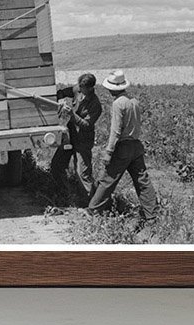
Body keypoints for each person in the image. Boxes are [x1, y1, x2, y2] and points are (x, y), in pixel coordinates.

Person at [87, 69, 158, 240]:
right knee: (143, 182)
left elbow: (115, 131)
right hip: (136, 146)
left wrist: (108, 152)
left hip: (123, 148)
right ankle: (153, 217)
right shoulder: (134, 101)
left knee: (107, 180)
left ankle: (94, 211)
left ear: (113, 88)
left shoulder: (118, 103)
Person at [50, 73, 102, 205]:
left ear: (89, 88)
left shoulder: (95, 104)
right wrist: (58, 101)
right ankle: (67, 194)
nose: (79, 89)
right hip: (70, 136)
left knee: (83, 174)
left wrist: (71, 114)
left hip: (83, 141)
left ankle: (93, 205)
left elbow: (86, 124)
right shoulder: (77, 89)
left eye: (82, 88)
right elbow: (61, 93)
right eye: (79, 86)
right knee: (57, 166)